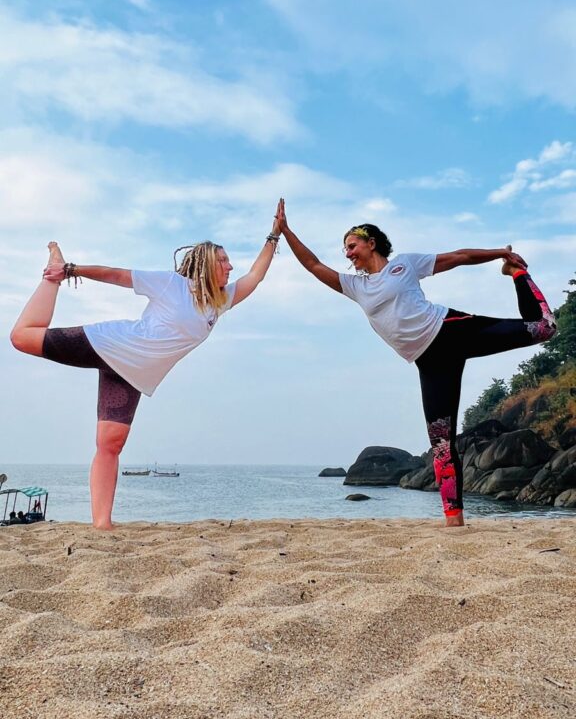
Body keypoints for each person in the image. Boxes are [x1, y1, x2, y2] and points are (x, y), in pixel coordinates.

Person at [276, 200, 557, 527]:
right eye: (345, 250)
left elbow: (458, 257)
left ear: (371, 242)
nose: (348, 254)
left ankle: (518, 274)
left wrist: (499, 254)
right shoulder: (356, 287)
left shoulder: (404, 265)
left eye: (352, 246)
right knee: (440, 443)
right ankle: (455, 522)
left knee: (544, 328)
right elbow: (312, 264)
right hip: (430, 362)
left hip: (453, 331)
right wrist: (285, 231)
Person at [11, 216, 281, 530]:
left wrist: (274, 235)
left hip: (132, 375)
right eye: (224, 260)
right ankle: (51, 275)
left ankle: (102, 524)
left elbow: (257, 275)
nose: (230, 267)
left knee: (110, 444)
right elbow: (116, 275)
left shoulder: (219, 303)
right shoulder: (172, 284)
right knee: (21, 338)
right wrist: (69, 269)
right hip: (108, 344)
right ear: (207, 263)